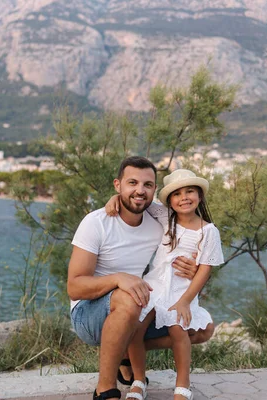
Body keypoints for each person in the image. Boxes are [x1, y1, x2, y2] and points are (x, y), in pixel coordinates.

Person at [67, 157, 214, 400]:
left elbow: (188, 235)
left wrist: (194, 267)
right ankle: (105, 389)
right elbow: (74, 288)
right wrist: (118, 279)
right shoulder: (96, 223)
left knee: (202, 328)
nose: (139, 190)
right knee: (130, 298)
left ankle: (124, 353)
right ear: (118, 185)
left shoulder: (160, 223)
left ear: (154, 190)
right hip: (89, 314)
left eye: (147, 185)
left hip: (134, 307)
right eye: (132, 183)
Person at [105, 169, 224, 400]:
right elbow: (138, 202)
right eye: (177, 194)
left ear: (200, 195)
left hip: (181, 291)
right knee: (136, 328)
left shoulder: (208, 231)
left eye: (190, 191)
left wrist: (185, 301)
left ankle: (183, 386)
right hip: (154, 285)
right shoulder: (164, 216)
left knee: (179, 329)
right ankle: (138, 381)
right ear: (169, 200)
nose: (184, 198)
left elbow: (205, 270)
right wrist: (114, 198)